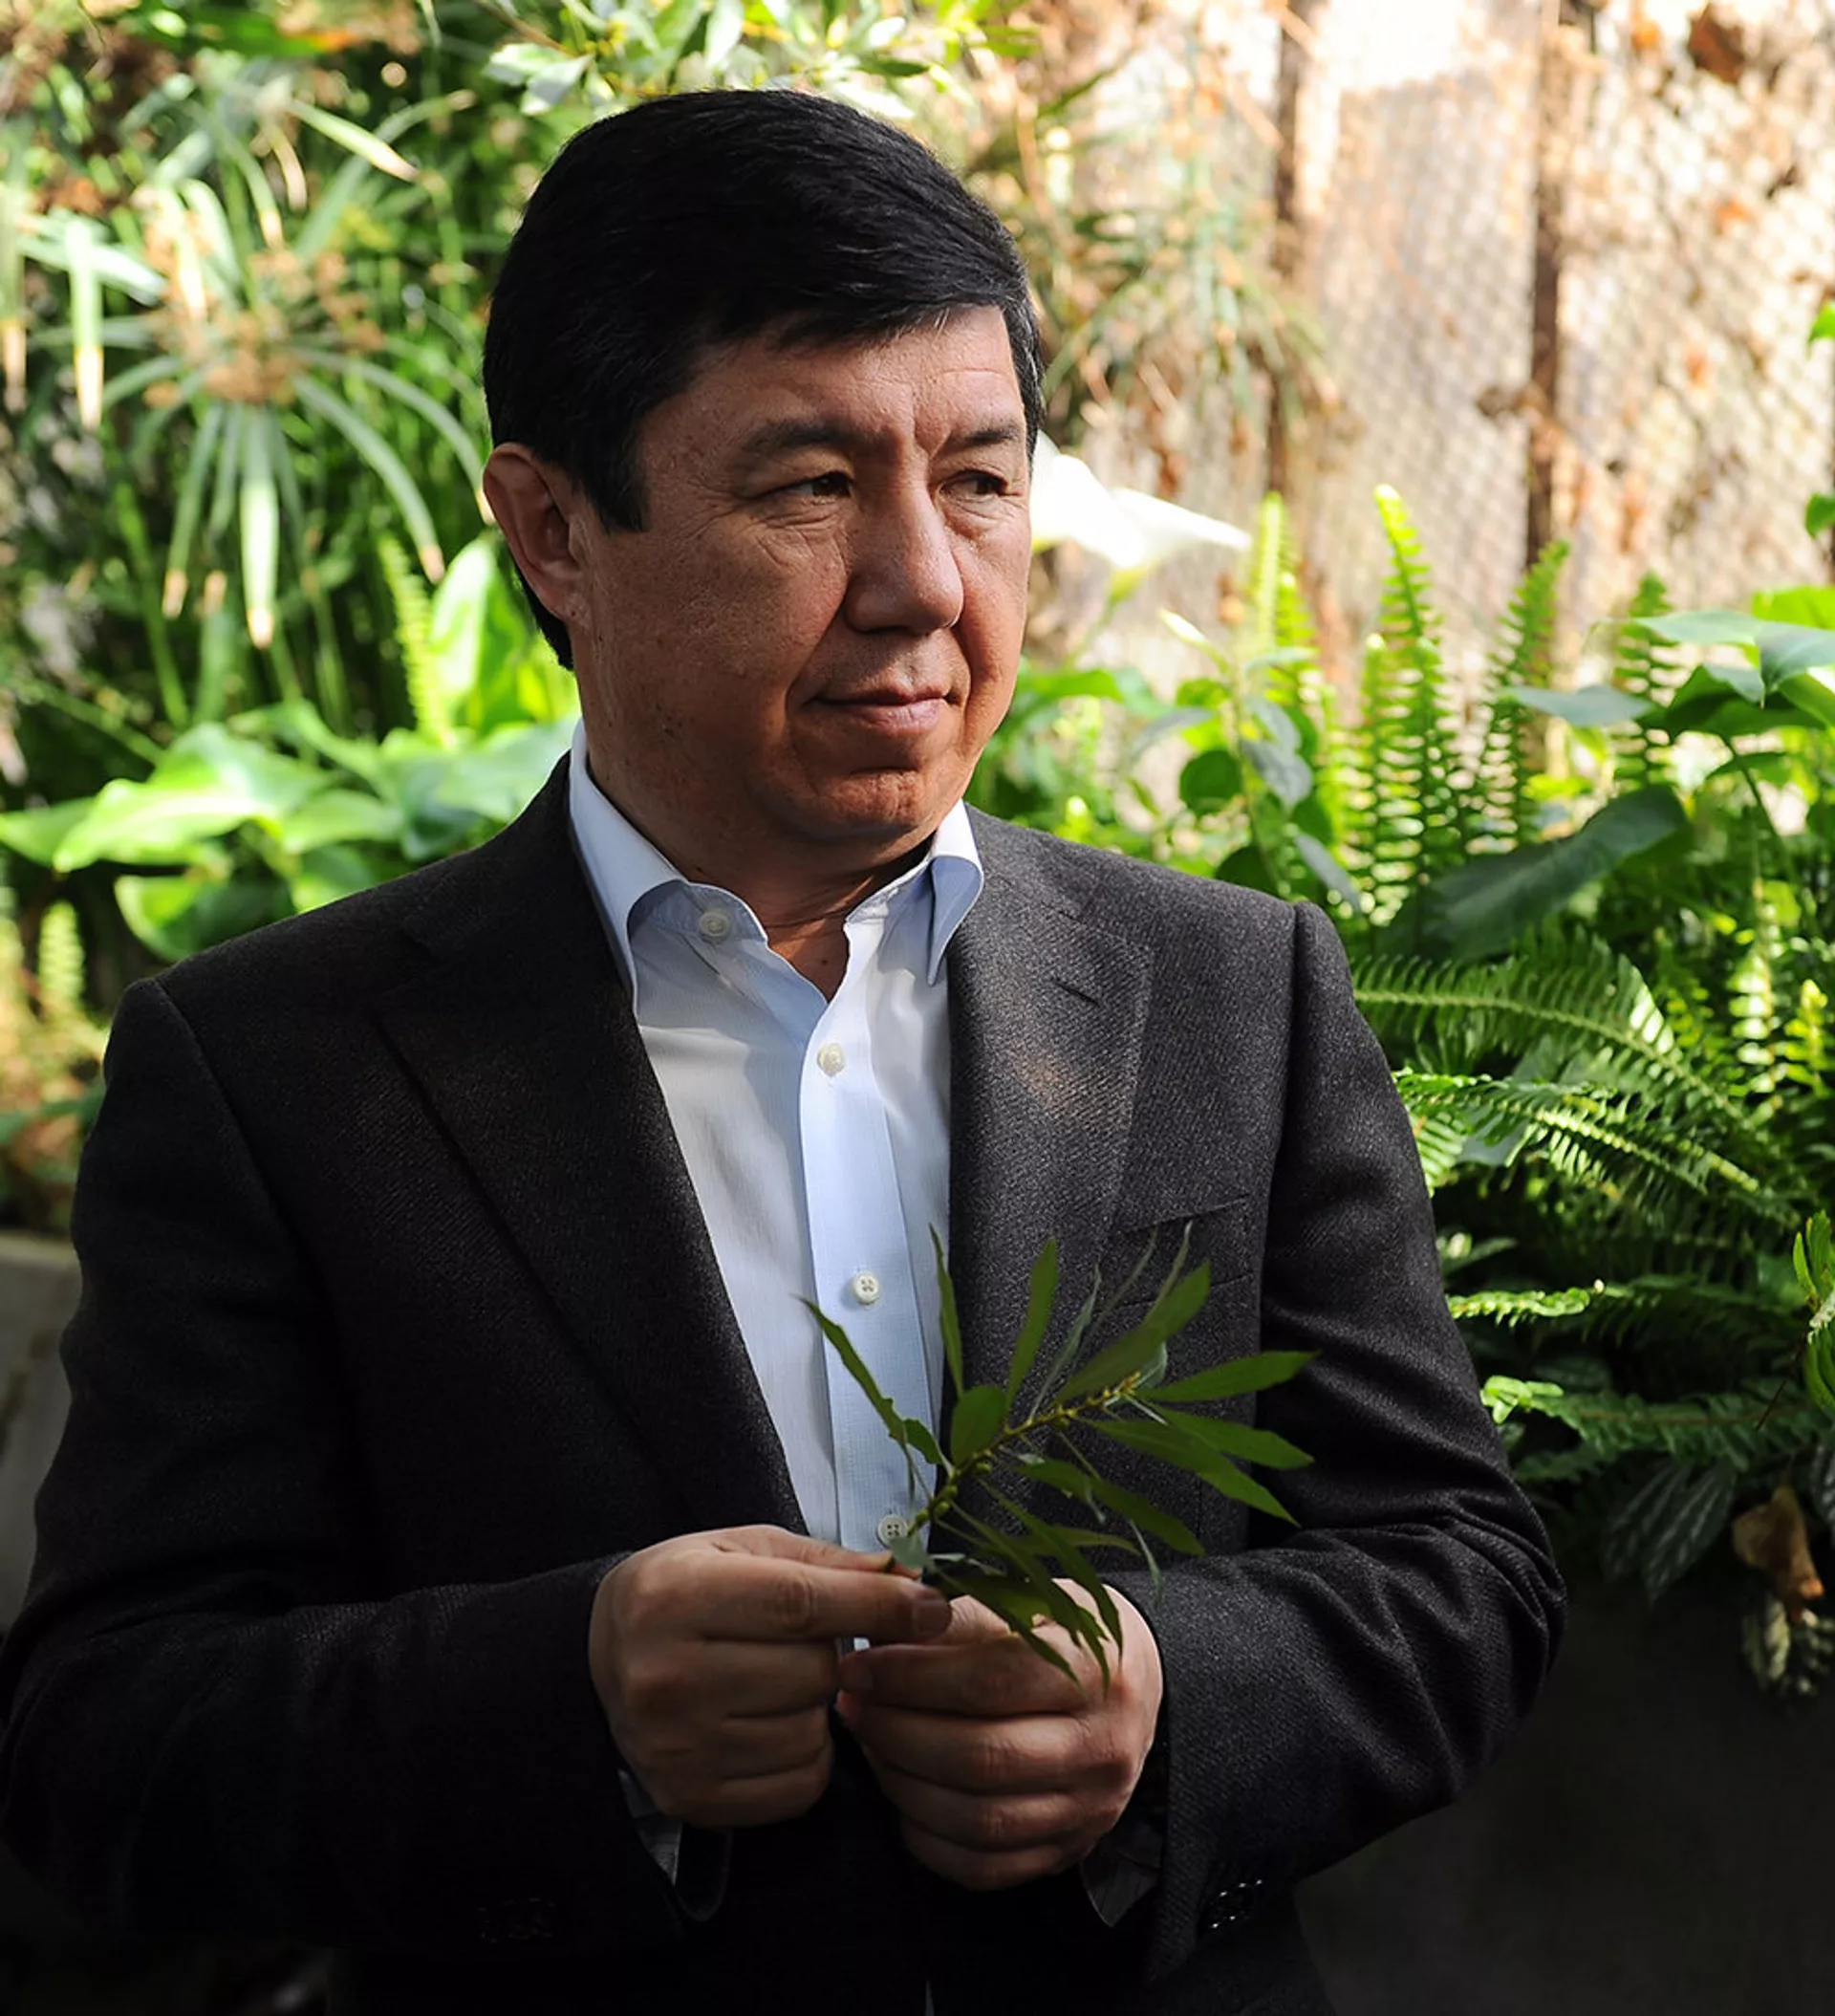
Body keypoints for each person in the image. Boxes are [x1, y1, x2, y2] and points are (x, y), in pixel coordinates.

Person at [0, 90, 1562, 2016]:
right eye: (811, 486)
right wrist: (568, 1694)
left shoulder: (1232, 995)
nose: (927, 584)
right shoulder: (279, 1073)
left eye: (979, 481)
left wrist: (1171, 1698)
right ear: (554, 532)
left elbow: (1460, 1569)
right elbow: (106, 1738)